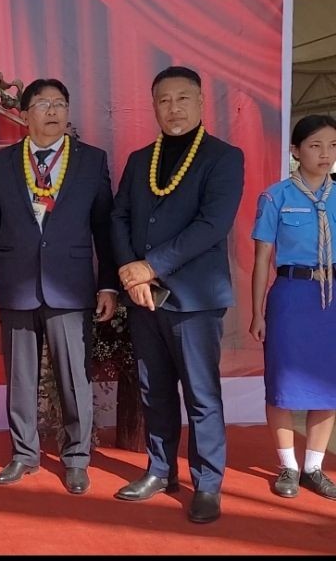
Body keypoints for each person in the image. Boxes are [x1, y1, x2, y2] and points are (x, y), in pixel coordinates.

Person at [111, 66, 244, 524]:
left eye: (182, 98)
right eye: (164, 100)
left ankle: (208, 483)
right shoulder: (139, 159)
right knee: (155, 389)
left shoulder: (224, 158)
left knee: (201, 395)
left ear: (202, 102)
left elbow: (212, 226)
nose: (173, 108)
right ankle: (160, 470)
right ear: (154, 106)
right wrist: (134, 277)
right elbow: (120, 219)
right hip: (143, 297)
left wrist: (150, 267)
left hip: (194, 299)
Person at [0, 78, 117, 495]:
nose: (52, 111)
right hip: (15, 285)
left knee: (74, 377)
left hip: (71, 287)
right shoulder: (2, 163)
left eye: (60, 103)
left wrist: (107, 284)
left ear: (68, 111)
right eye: (42, 104)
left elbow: (103, 227)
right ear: (24, 113)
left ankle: (76, 458)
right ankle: (23, 453)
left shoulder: (91, 160)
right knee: (20, 377)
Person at [250, 114, 336, 500]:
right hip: (290, 295)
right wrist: (256, 312)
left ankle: (314, 467)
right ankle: (288, 465)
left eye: (333, 146)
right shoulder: (275, 197)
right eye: (316, 145)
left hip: (332, 297)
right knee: (282, 386)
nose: (325, 154)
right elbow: (262, 259)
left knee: (328, 385)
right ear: (296, 150)